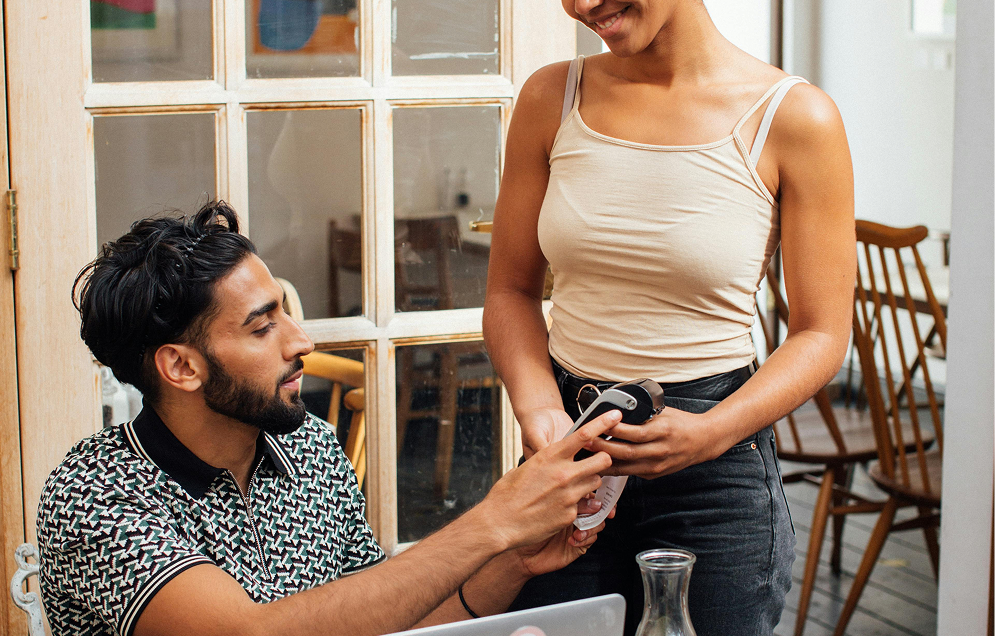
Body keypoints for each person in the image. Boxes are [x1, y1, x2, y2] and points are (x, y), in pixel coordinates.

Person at [36, 201, 621, 636]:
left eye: (286, 315)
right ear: (181, 368)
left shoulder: (309, 447)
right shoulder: (95, 494)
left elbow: (386, 622)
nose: (301, 340)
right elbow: (249, 634)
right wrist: (494, 521)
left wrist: (514, 558)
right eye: (263, 327)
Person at [482, 1, 856, 634]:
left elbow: (822, 334)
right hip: (572, 449)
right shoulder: (551, 96)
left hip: (718, 468)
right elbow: (510, 292)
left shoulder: (795, 117)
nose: (582, 5)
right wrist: (541, 410)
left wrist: (712, 431)